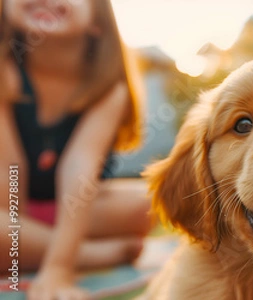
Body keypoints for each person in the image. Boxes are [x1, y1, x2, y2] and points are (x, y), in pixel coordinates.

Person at [0, 0, 151, 298]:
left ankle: (35, 244)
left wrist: (58, 268)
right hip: (12, 203)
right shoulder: (5, 73)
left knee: (147, 203)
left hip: (73, 204)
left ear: (98, 21)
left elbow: (79, 168)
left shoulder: (108, 89)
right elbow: (9, 171)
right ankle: (90, 252)